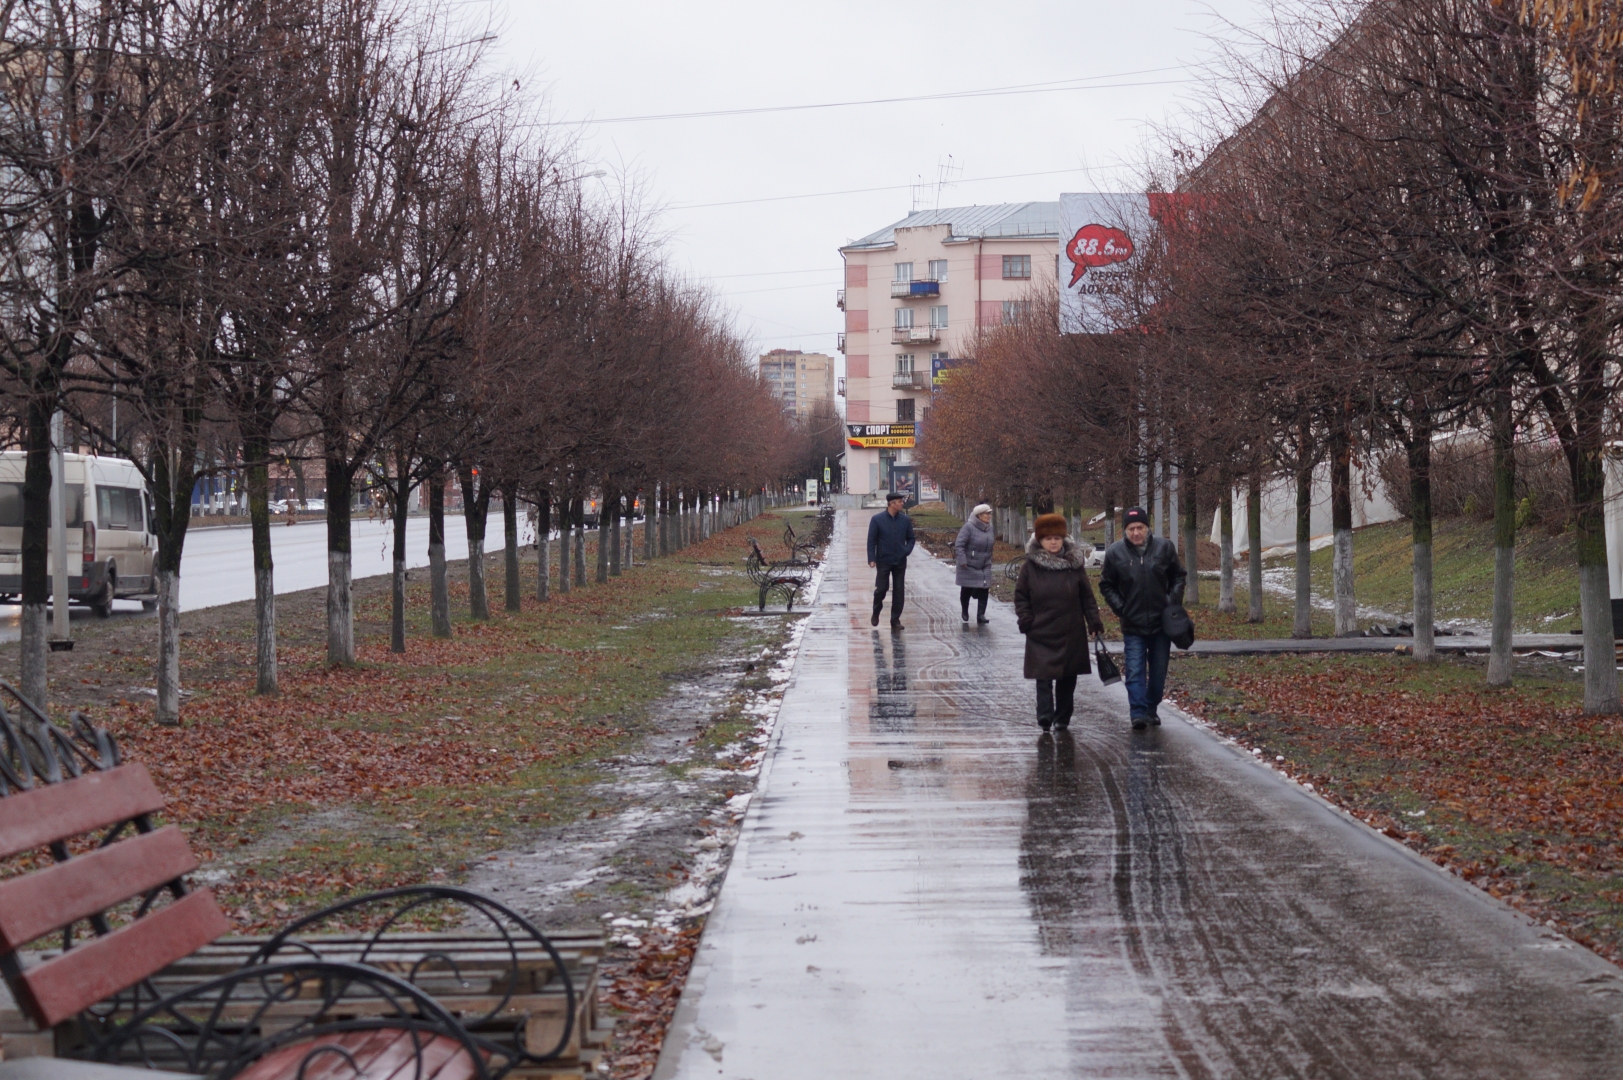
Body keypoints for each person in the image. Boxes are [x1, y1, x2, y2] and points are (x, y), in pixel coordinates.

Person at [1098, 506, 1187, 731]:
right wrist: (1121, 608)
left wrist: (1172, 601)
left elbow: (1178, 575)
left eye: (1140, 528)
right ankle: (1137, 712)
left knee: (1158, 672)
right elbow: (1106, 584)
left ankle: (1151, 708)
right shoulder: (1115, 553)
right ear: (1124, 531)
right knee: (1135, 670)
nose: (1136, 533)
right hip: (1133, 624)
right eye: (1131, 528)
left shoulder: (1164, 548)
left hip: (1161, 624)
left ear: (1147, 528)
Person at [1015, 513, 1105, 731]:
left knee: (1067, 677)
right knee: (1043, 677)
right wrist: (1027, 620)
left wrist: (1094, 622)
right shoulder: (1030, 567)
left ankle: (1063, 718)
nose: (1053, 542)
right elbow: (1021, 597)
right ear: (1040, 540)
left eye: (1057, 537)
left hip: (1070, 630)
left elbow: (1086, 596)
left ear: (1063, 538)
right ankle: (1045, 715)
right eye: (1048, 538)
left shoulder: (1074, 564)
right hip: (1041, 630)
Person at [867, 492, 915, 629]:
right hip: (884, 560)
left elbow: (911, 538)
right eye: (899, 501)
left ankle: (895, 620)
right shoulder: (877, 519)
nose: (902, 503)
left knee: (899, 591)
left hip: (900, 561)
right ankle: (876, 611)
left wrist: (906, 551)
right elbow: (872, 541)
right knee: (881, 589)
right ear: (891, 504)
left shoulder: (905, 520)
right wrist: (871, 558)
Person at [953, 503, 995, 625]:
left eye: (990, 513)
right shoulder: (968, 527)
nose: (989, 516)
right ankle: (965, 610)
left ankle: (980, 614)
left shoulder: (990, 528)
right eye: (987, 513)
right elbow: (959, 545)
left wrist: (989, 558)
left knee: (984, 588)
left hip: (985, 563)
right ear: (979, 515)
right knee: (967, 588)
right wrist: (962, 560)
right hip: (968, 564)